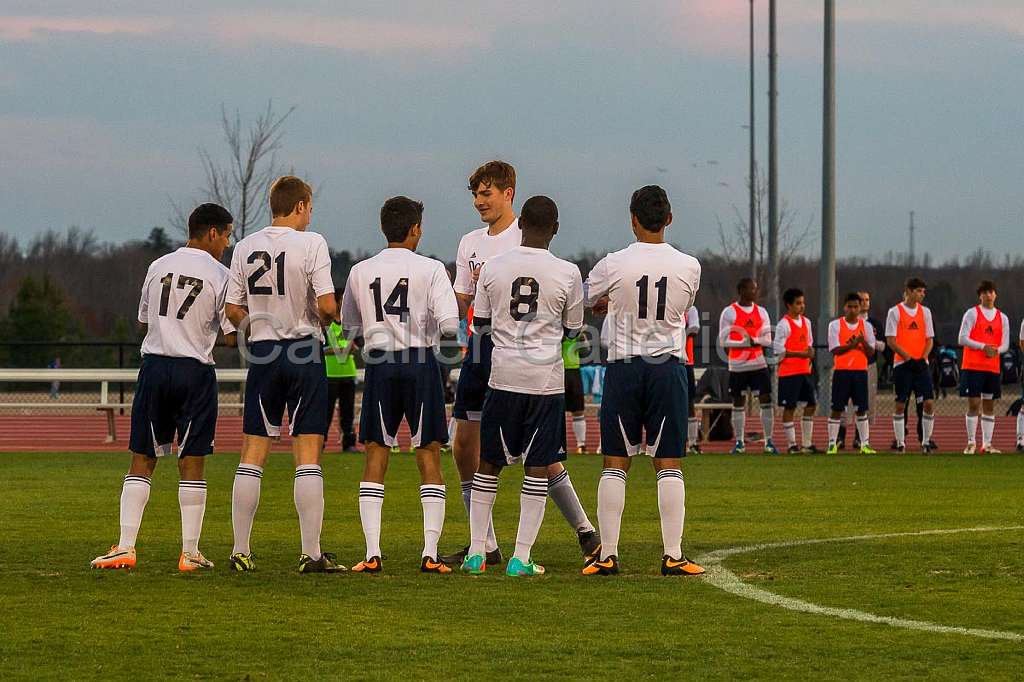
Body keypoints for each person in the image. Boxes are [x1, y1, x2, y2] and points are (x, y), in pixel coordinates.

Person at [442, 161, 599, 566]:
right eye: (475, 194)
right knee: (465, 445)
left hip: (509, 352)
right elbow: (465, 302)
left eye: (487, 193)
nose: (479, 201)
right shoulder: (469, 243)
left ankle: (582, 528)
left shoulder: (525, 236)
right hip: (483, 352)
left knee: (538, 457)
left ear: (509, 193)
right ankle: (487, 543)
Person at [91, 203, 236, 571]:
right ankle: (190, 552)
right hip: (194, 372)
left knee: (142, 457)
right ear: (213, 232)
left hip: (154, 367)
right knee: (192, 460)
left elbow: (143, 321)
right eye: (227, 235)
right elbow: (232, 336)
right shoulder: (221, 274)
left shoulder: (158, 266)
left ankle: (125, 546)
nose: (228, 243)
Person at [582, 185, 704, 577]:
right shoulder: (690, 265)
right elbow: (683, 307)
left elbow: (588, 299)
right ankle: (673, 554)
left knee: (615, 462)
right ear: (669, 219)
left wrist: (608, 305)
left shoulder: (612, 263)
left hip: (623, 366)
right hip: (667, 367)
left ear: (632, 219)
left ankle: (608, 556)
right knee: (668, 462)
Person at [225, 175, 344, 573]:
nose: (311, 214)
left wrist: (258, 326)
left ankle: (241, 549)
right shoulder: (312, 243)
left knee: (253, 453)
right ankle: (310, 553)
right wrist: (332, 322)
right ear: (299, 206)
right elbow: (327, 306)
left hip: (263, 352)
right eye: (309, 207)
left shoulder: (244, 246)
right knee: (307, 454)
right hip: (303, 349)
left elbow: (232, 308)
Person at [341, 196, 459, 574]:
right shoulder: (432, 269)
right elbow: (449, 326)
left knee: (376, 453)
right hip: (420, 361)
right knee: (428, 453)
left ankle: (372, 552)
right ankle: (429, 553)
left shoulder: (361, 270)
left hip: (379, 363)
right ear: (415, 229)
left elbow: (348, 328)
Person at [718, 278, 777, 454]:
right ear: (741, 290)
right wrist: (745, 344)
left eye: (756, 289)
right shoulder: (729, 312)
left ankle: (768, 441)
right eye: (751, 289)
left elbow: (767, 339)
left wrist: (755, 342)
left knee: (766, 400)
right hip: (738, 365)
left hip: (758, 363)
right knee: (738, 402)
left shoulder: (762, 312)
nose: (755, 292)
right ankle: (739, 442)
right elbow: (723, 340)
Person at [885, 277, 936, 453]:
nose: (922, 295)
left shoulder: (926, 312)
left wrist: (922, 358)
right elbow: (891, 340)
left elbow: (930, 339)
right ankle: (900, 442)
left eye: (923, 292)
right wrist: (908, 358)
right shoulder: (895, 312)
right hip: (903, 365)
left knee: (928, 402)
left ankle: (926, 441)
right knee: (901, 404)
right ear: (909, 291)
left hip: (921, 365)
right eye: (919, 291)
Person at [958, 280, 1009, 454]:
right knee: (974, 403)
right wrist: (982, 347)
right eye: (985, 292)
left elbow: (1005, 344)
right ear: (980, 295)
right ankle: (971, 442)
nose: (989, 295)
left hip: (992, 368)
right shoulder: (972, 314)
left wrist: (996, 351)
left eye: (991, 292)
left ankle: (987, 444)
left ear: (996, 294)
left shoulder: (1003, 318)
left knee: (989, 405)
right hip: (972, 366)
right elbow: (962, 338)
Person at [826, 293, 877, 454]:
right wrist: (853, 345)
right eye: (850, 307)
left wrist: (862, 343)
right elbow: (835, 349)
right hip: (842, 372)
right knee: (837, 408)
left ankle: (864, 444)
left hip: (860, 372)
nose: (853, 310)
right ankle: (832, 443)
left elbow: (871, 352)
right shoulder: (835, 325)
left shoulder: (866, 327)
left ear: (860, 307)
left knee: (861, 409)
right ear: (844, 307)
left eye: (856, 307)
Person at [773, 288, 818, 453]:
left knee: (811, 405)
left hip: (805, 371)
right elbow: (778, 350)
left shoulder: (807, 322)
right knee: (789, 407)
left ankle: (807, 443)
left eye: (803, 302)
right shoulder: (783, 324)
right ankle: (792, 444)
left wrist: (810, 353)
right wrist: (800, 353)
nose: (802, 306)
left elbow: (809, 345)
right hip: (789, 373)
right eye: (798, 303)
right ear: (789, 305)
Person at [838, 291, 885, 449]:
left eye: (867, 300)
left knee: (865, 403)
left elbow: (882, 346)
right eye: (861, 301)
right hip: (846, 366)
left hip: (867, 365)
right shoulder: (842, 323)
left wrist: (869, 342)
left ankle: (860, 438)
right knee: (843, 403)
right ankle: (840, 436)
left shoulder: (874, 324)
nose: (864, 303)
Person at [325, 288, 358, 452]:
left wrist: (350, 347)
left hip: (348, 372)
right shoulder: (326, 323)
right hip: (330, 373)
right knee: (326, 411)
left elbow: (358, 344)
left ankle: (349, 443)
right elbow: (318, 348)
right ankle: (320, 441)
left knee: (348, 412)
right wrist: (336, 349)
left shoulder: (349, 323)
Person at [563, 337, 588, 453]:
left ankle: (581, 445)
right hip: (556, 370)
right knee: (555, 410)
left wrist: (582, 340)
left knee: (578, 410)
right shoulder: (555, 328)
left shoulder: (578, 333)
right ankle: (557, 444)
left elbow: (585, 352)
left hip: (574, 372)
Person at [684, 305, 702, 454]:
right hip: (664, 362)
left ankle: (693, 442)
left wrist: (680, 334)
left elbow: (695, 328)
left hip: (685, 362)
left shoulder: (690, 309)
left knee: (689, 402)